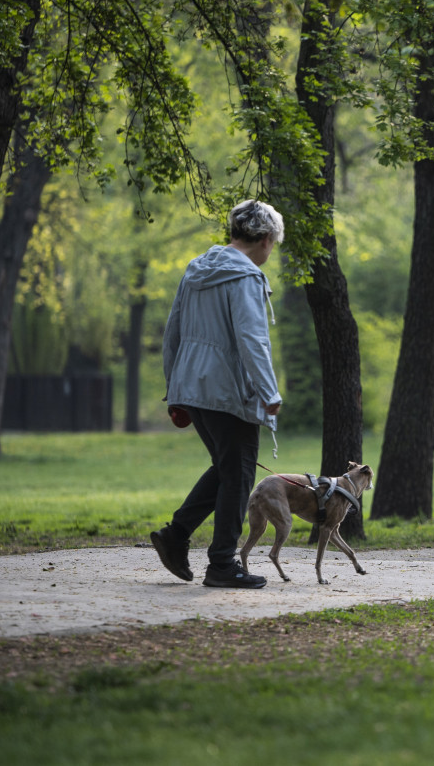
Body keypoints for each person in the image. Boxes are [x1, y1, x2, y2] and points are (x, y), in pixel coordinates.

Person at [150, 199, 284, 588]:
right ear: (262, 238)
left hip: (193, 385)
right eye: (272, 243)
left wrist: (175, 386)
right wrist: (268, 390)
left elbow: (172, 330)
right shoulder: (245, 277)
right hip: (229, 391)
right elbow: (252, 339)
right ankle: (222, 565)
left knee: (228, 469)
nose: (270, 252)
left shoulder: (197, 269)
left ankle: (176, 535)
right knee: (239, 476)